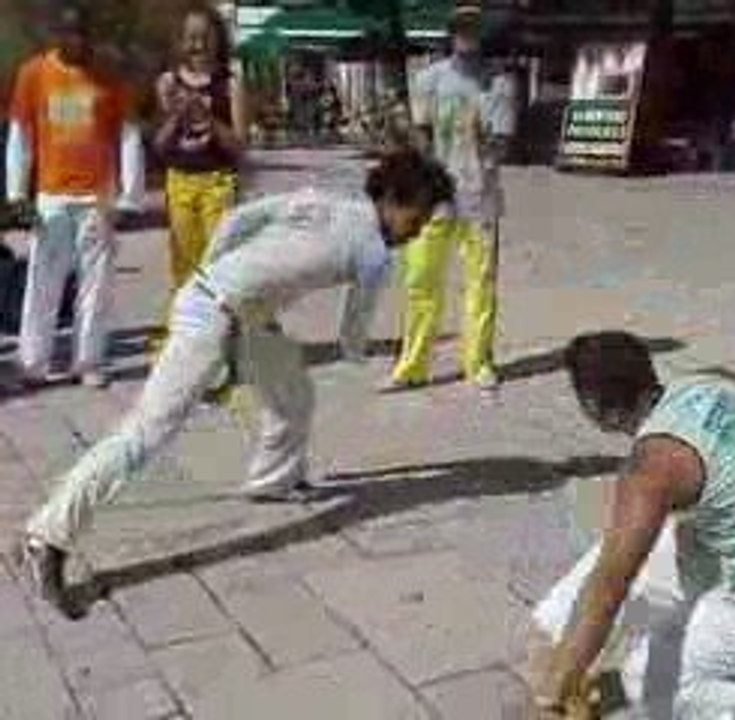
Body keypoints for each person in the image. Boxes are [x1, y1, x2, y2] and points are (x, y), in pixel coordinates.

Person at [16, 151, 454, 619]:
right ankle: (47, 537)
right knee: (145, 434)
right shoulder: (374, 254)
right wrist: (355, 354)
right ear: (390, 198)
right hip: (213, 316)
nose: (419, 227)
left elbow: (243, 217)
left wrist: (214, 273)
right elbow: (352, 333)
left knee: (292, 395)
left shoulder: (327, 202)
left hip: (235, 308)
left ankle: (274, 481)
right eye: (419, 214)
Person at [526, 332, 735, 719]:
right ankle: (574, 642)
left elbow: (610, 586)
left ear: (593, 405)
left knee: (651, 678)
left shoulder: (652, 468)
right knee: (654, 545)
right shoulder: (705, 386)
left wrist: (556, 692)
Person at [5, 2, 145, 389]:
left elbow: (129, 134)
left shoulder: (108, 79)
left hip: (97, 197)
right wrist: (18, 193)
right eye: (69, 32)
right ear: (56, 34)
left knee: (95, 284)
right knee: (42, 281)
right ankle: (32, 363)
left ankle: (88, 361)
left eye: (83, 33)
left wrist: (129, 197)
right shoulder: (33, 74)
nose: (76, 39)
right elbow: (22, 135)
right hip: (51, 196)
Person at [386, 2, 516, 392]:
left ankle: (478, 363)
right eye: (461, 27)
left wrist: (488, 141)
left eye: (474, 27)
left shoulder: (500, 82)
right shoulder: (427, 80)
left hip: (480, 197)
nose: (467, 35)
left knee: (480, 284)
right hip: (433, 199)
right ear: (450, 31)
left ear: (482, 32)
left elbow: (502, 145)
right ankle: (412, 367)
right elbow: (421, 137)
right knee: (420, 280)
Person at [153, 3, 246, 356]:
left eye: (204, 37)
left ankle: (225, 345)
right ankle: (188, 343)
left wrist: (209, 118)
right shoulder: (167, 82)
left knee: (219, 267)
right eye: (190, 38)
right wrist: (177, 115)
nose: (197, 45)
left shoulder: (231, 83)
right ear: (180, 42)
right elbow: (159, 146)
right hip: (180, 182)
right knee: (184, 268)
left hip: (218, 182)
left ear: (217, 40)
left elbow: (239, 146)